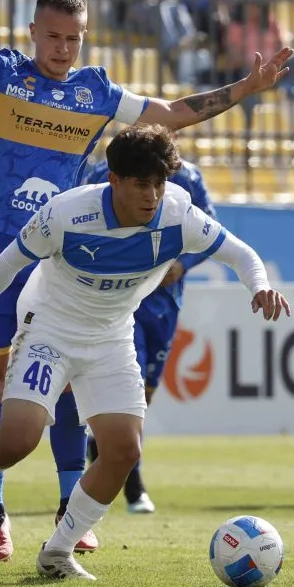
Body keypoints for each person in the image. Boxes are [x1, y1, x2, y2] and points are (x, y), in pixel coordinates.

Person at [0, 0, 292, 564]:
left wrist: (244, 89)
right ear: (33, 32)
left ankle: (70, 514)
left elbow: (172, 111)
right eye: (53, 37)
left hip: (58, 251)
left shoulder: (95, 94)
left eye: (74, 39)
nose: (63, 49)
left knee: (64, 384)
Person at [0, 124, 291, 580]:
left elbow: (241, 255)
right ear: (115, 180)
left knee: (122, 450)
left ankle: (57, 552)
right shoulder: (67, 213)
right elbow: (9, 263)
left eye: (159, 184)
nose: (153, 195)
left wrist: (259, 286)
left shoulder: (179, 214)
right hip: (50, 332)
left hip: (111, 339)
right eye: (142, 184)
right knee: (20, 439)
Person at [79, 154, 216, 514]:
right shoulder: (101, 173)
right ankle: (132, 485)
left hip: (165, 303)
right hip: (119, 298)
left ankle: (104, 452)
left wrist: (183, 264)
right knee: (132, 388)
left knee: (147, 391)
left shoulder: (189, 176)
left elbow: (211, 233)